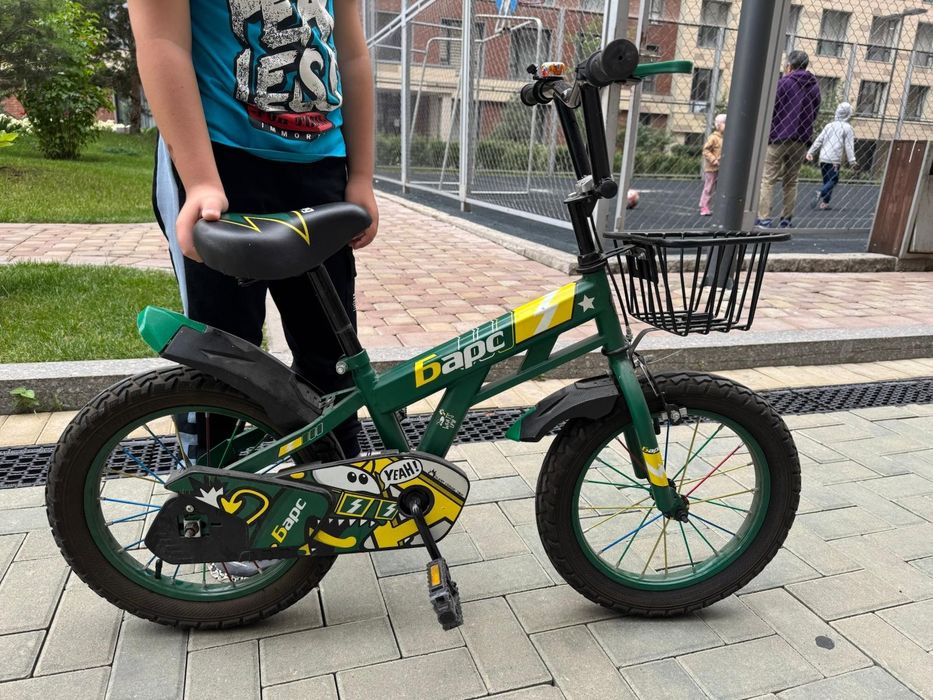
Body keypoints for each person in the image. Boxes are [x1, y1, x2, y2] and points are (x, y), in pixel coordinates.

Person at [128, 1, 377, 578]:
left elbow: (352, 52)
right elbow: (162, 42)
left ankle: (339, 487)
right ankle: (214, 516)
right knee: (224, 356)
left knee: (332, 351)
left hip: (320, 166)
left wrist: (362, 174)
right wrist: (199, 179)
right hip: (220, 162)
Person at [756, 50, 822, 228]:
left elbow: (772, 108)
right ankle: (786, 218)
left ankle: (764, 218)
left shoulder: (784, 83)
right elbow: (815, 112)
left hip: (779, 136)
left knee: (768, 179)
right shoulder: (814, 86)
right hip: (801, 139)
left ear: (789, 66)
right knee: (791, 181)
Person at [806, 102, 857, 210]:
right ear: (848, 114)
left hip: (823, 157)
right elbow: (849, 146)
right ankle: (820, 192)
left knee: (827, 181)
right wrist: (852, 161)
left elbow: (819, 140)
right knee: (833, 180)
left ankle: (825, 203)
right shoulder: (847, 128)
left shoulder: (829, 125)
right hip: (834, 159)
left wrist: (810, 152)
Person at [699, 113, 726, 216]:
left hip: (722, 168)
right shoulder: (713, 138)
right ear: (718, 125)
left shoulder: (726, 138)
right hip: (712, 168)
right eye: (725, 123)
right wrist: (713, 160)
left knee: (722, 188)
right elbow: (706, 150)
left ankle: (720, 207)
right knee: (709, 187)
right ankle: (704, 206)